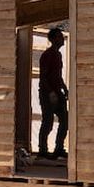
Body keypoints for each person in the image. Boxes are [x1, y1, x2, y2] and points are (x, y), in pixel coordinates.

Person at [38, 27, 68, 160]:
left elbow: (58, 76)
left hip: (57, 92)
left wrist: (64, 89)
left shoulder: (58, 55)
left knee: (65, 120)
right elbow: (43, 76)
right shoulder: (47, 55)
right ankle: (42, 150)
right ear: (53, 39)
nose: (62, 39)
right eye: (59, 36)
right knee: (48, 121)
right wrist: (50, 93)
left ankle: (59, 148)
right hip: (47, 93)